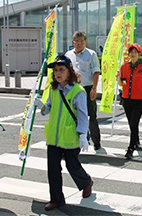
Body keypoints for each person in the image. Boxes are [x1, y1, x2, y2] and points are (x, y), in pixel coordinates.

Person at [34, 54, 93, 211]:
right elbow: (48, 109)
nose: (58, 73)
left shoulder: (78, 91)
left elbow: (82, 113)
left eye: (61, 69)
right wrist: (39, 104)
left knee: (72, 165)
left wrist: (82, 134)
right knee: (53, 169)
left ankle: (86, 182)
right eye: (55, 71)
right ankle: (57, 199)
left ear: (69, 71)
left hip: (70, 135)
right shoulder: (53, 89)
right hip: (54, 136)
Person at [66, 31, 102, 150]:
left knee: (92, 116)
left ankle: (96, 142)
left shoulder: (91, 54)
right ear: (73, 42)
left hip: (87, 88)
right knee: (74, 115)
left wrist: (94, 88)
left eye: (82, 42)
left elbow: (96, 72)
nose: (79, 44)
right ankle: (79, 139)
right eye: (77, 41)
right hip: (73, 89)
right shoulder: (68, 55)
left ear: (85, 42)